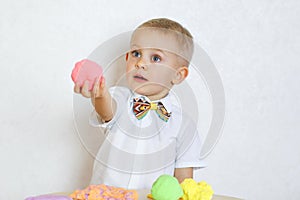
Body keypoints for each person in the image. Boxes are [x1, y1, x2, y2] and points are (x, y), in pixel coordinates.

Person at [74, 18, 206, 189]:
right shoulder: (119, 98)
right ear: (127, 58)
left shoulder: (184, 125)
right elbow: (107, 110)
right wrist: (99, 94)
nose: (141, 63)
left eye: (156, 58)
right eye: (136, 53)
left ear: (178, 75)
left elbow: (184, 181)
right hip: (105, 195)